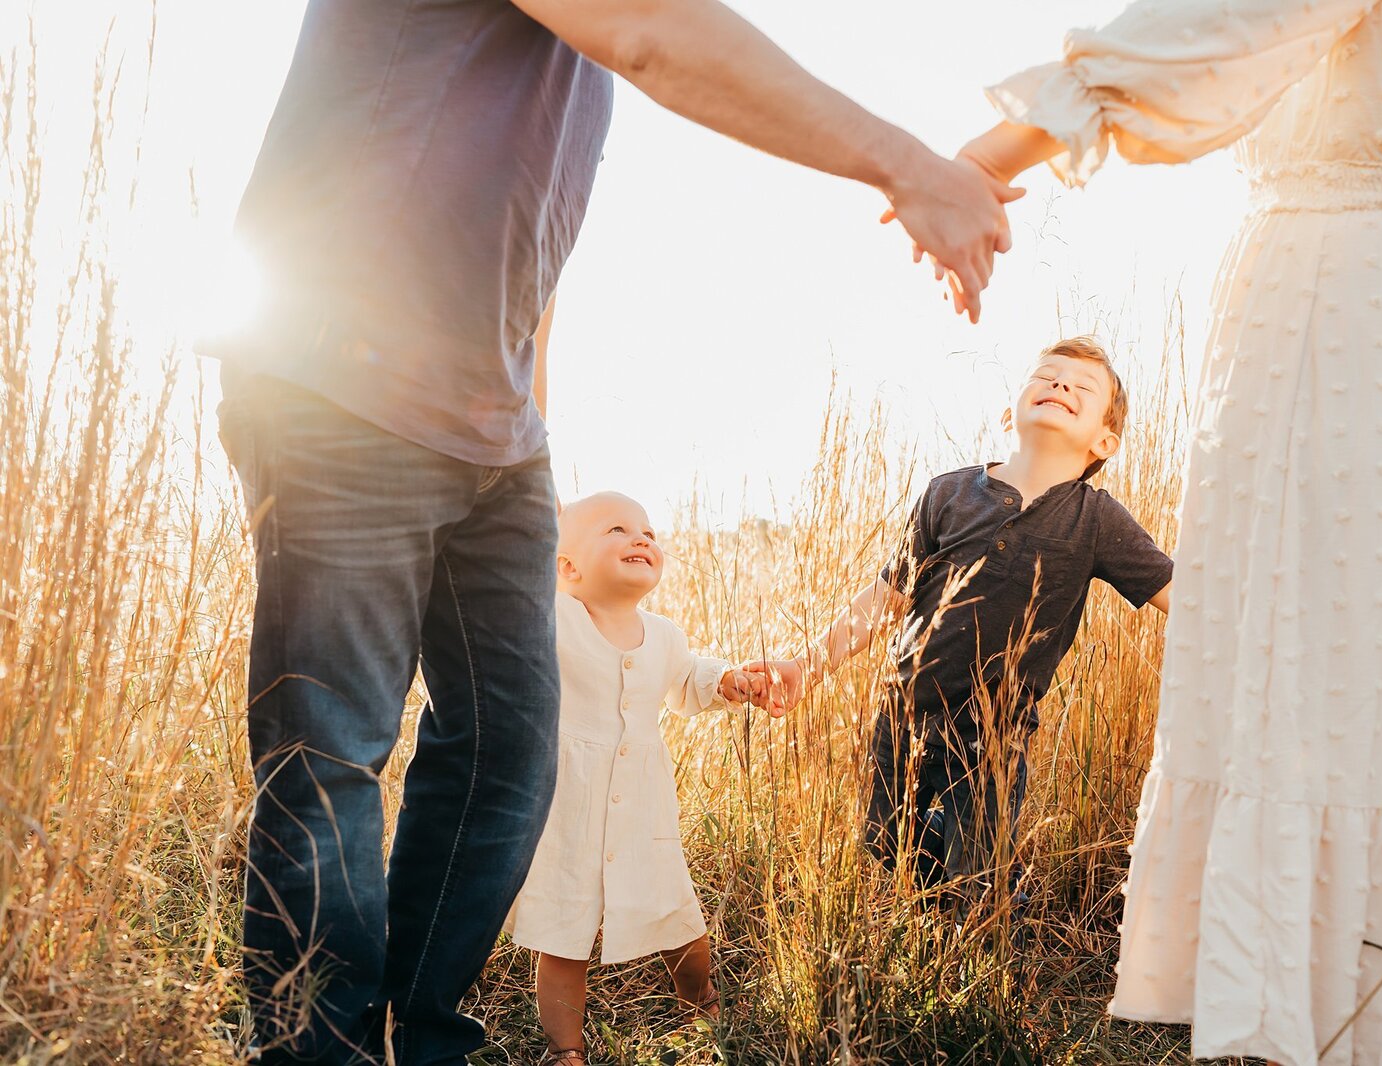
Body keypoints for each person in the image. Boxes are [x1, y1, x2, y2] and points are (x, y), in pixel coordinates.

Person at [210, 1, 1021, 1061]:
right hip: (341, 379)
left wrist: (525, 433)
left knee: (507, 751)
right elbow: (653, 31)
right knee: (331, 751)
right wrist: (904, 164)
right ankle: (319, 1048)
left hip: (496, 435)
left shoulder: (569, 69)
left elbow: (532, 258)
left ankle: (418, 1035)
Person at [944, 0, 1382, 1062]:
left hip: (1329, 310)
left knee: (1302, 643)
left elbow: (1218, 29)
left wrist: (1003, 141)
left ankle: (1294, 1002)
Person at [755, 338, 1172, 907]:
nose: (1060, 387)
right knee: (885, 841)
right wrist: (805, 665)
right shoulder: (949, 493)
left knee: (972, 876)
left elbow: (1182, 597)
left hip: (994, 728)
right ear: (1010, 411)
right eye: (1047, 376)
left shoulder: (1094, 518)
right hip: (905, 706)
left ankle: (986, 905)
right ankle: (972, 896)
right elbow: (883, 599)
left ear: (1104, 441)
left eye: (1082, 388)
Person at [502, 492, 774, 1066]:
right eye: (617, 529)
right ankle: (566, 1050)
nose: (641, 538)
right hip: (566, 811)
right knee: (562, 933)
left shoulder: (665, 634)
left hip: (645, 813)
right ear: (567, 567)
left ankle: (703, 1002)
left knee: (678, 917)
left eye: (648, 531)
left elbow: (688, 680)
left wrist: (727, 680)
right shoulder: (551, 619)